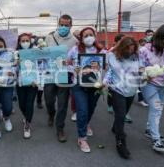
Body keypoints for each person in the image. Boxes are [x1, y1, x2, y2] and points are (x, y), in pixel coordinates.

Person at [139, 24, 164, 153]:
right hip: (149, 84)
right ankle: (156, 139)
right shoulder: (145, 50)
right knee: (156, 108)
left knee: (157, 108)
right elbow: (139, 67)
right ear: (159, 37)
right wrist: (145, 74)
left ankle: (150, 129)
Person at [68, 26, 105, 152]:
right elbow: (66, 64)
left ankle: (86, 123)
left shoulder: (101, 51)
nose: (89, 37)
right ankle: (82, 138)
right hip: (78, 85)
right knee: (82, 110)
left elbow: (107, 68)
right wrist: (74, 70)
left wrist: (104, 81)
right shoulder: (74, 49)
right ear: (81, 38)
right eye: (86, 36)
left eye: (91, 34)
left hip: (95, 85)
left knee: (91, 108)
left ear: (94, 36)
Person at [104, 37, 140, 159]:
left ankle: (115, 127)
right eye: (128, 49)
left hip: (131, 89)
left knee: (123, 114)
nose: (130, 51)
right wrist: (105, 82)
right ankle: (120, 142)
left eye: (132, 49)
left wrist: (144, 73)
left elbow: (142, 70)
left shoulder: (137, 56)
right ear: (122, 48)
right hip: (117, 89)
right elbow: (110, 72)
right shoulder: (112, 56)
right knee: (120, 115)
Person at [44, 14, 77, 143]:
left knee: (63, 104)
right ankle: (51, 113)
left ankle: (60, 128)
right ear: (58, 24)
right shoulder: (49, 37)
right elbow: (43, 53)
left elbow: (75, 57)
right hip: (50, 73)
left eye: (66, 25)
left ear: (70, 26)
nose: (63, 27)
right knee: (48, 99)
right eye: (61, 24)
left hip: (65, 74)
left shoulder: (74, 41)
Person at [16, 33, 38, 139]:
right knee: (21, 104)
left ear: (30, 41)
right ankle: (26, 116)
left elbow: (41, 65)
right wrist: (15, 64)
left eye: (27, 41)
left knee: (29, 104)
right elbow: (10, 69)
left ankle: (27, 125)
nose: (25, 43)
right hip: (20, 82)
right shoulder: (15, 53)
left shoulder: (36, 51)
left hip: (33, 83)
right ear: (19, 43)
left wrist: (37, 80)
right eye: (22, 41)